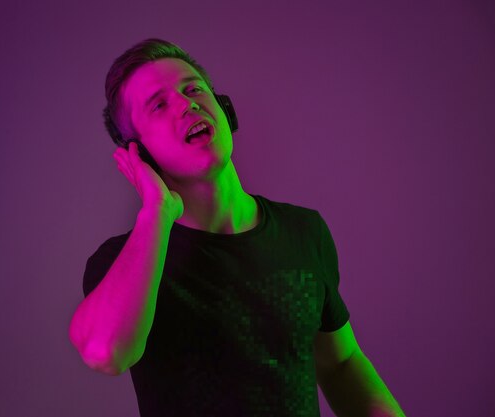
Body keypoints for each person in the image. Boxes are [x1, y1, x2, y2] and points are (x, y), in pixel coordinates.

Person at [69, 38, 405, 417]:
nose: (187, 103)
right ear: (139, 153)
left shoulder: (303, 231)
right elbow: (106, 352)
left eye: (193, 88)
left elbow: (340, 364)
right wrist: (156, 212)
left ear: (224, 109)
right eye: (159, 105)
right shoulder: (122, 262)